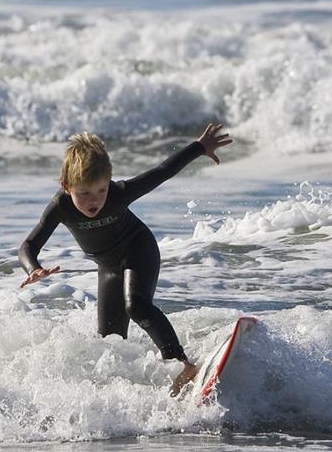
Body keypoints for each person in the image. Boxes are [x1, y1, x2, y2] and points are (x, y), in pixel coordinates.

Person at [18, 123, 231, 397]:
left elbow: (160, 172)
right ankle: (130, 392)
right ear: (66, 186)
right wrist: (33, 268)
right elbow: (29, 244)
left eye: (101, 190)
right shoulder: (61, 206)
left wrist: (199, 147)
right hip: (108, 267)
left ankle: (182, 365)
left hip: (138, 249)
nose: (94, 200)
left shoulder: (118, 195)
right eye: (84, 193)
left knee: (137, 307)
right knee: (110, 340)